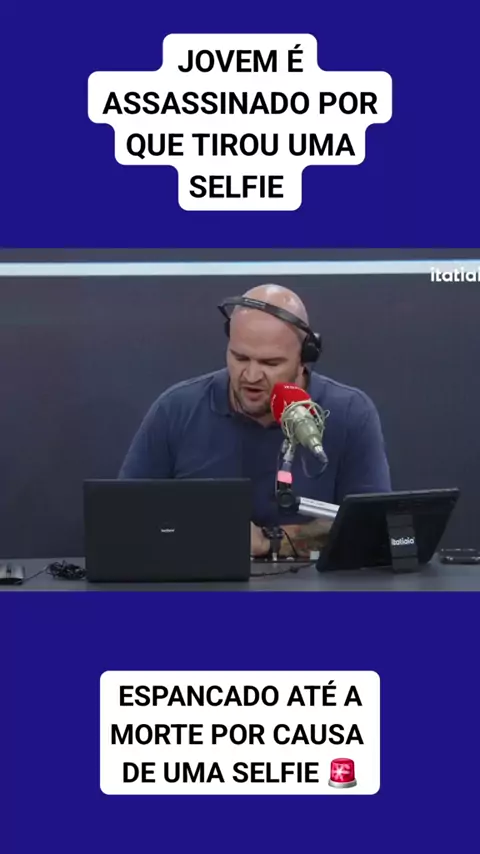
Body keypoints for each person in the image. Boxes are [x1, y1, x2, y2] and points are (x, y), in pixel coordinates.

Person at [119, 284, 391, 558]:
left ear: (304, 359)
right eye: (240, 358)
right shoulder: (176, 409)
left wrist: (270, 541)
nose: (250, 376)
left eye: (270, 363)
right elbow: (125, 518)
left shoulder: (350, 413)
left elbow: (371, 527)